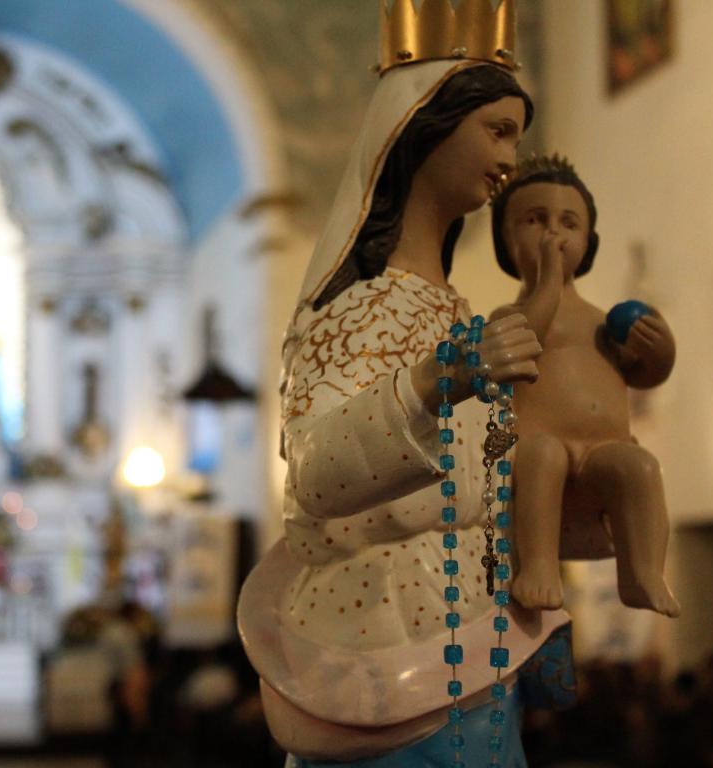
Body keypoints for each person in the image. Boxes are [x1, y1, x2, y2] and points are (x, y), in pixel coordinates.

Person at [236, 53, 573, 768]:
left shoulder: (453, 308)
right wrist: (438, 378)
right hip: (378, 648)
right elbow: (317, 475)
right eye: (498, 132)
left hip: (472, 653)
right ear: (424, 132)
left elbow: (485, 488)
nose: (509, 159)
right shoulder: (359, 308)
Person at [489, 155, 679, 616]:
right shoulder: (506, 320)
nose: (553, 234)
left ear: (588, 241)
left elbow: (643, 375)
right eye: (535, 220)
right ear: (506, 239)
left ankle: (643, 574)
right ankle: (537, 568)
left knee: (640, 468)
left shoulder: (602, 323)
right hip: (535, 446)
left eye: (568, 223)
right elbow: (526, 339)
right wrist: (548, 283)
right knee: (541, 457)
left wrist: (660, 350)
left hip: (601, 448)